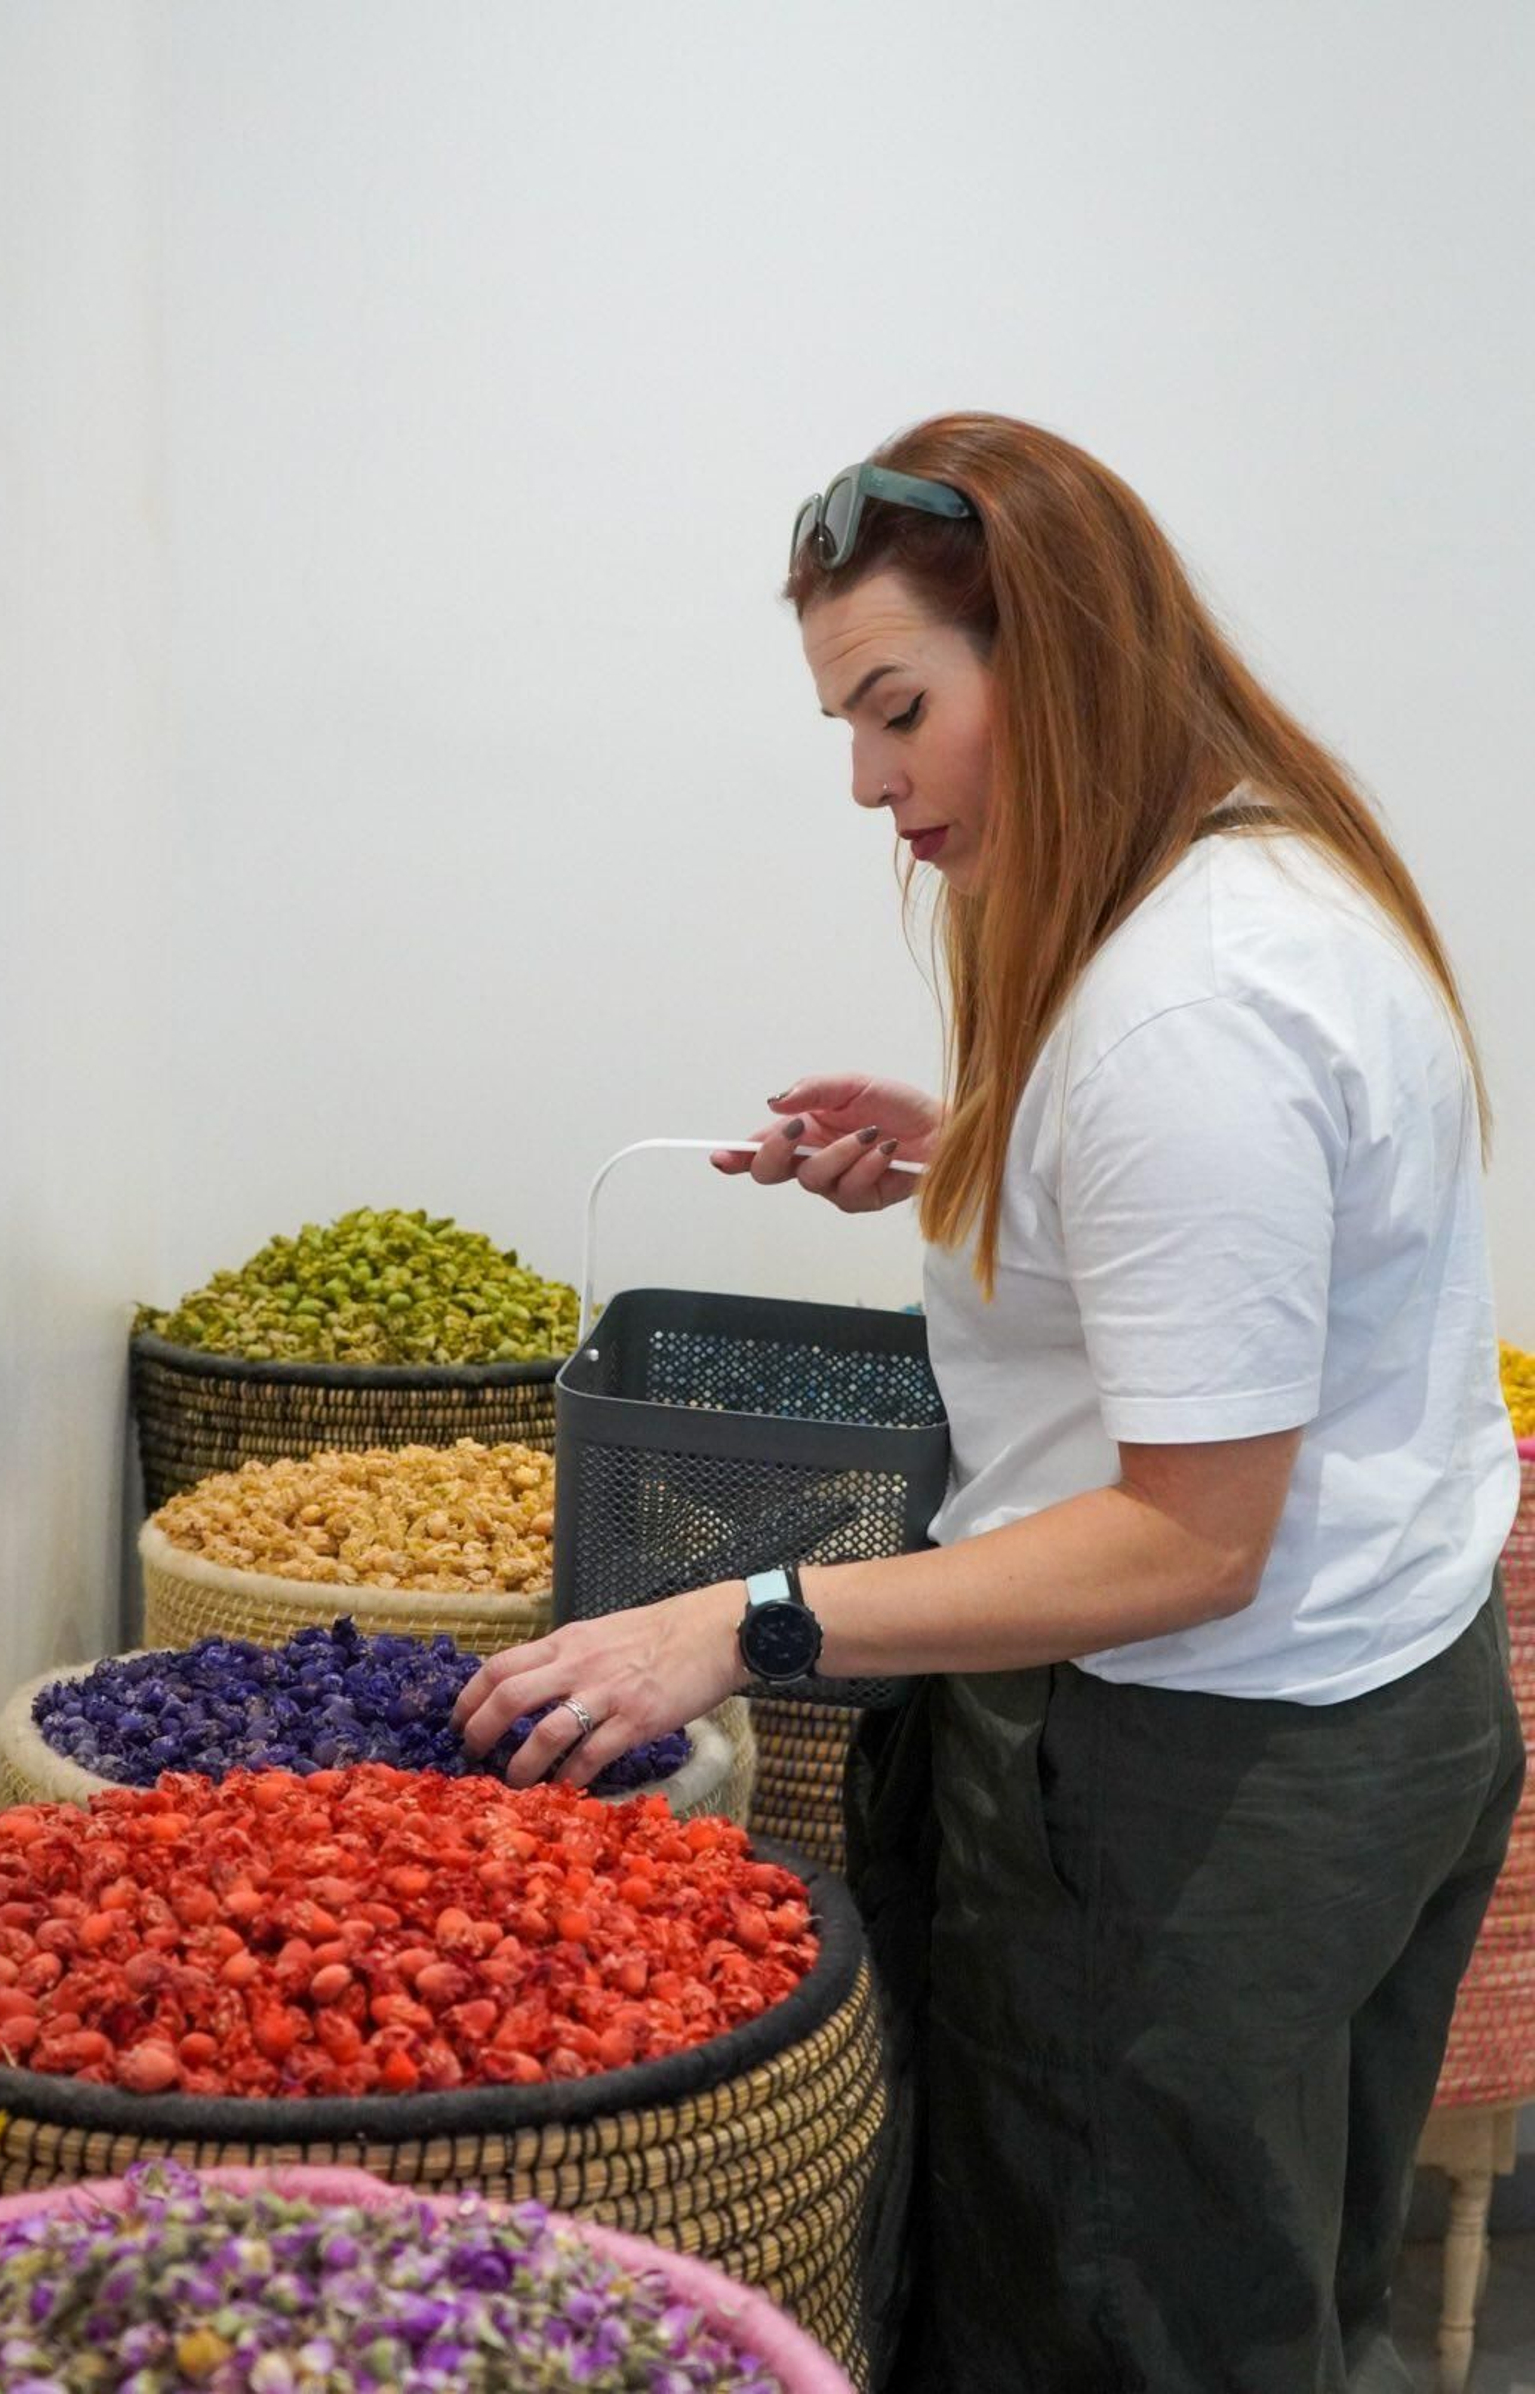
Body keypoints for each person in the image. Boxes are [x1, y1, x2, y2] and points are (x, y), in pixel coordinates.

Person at [454, 414, 1525, 2392]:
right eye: (845, 732)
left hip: (1190, 1779)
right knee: (1270, 2287)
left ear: (1058, 656)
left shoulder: (1181, 1013)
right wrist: (989, 1158)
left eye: (896, 712)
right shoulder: (1263, 878)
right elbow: (1253, 1244)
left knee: (1115, 2323)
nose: (870, 787)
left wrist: (745, 1620)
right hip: (1396, 1705)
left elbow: (1182, 1541)